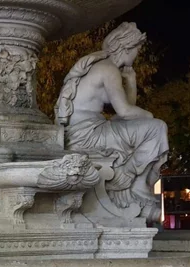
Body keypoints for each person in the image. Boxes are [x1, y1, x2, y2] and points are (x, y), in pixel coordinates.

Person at [54, 22, 169, 211]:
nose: (138, 53)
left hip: (81, 130)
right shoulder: (109, 69)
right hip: (88, 135)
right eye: (137, 49)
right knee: (158, 127)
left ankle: (134, 180)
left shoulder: (100, 66)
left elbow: (126, 110)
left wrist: (131, 82)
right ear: (127, 47)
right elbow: (125, 112)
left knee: (145, 125)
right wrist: (149, 115)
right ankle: (135, 181)